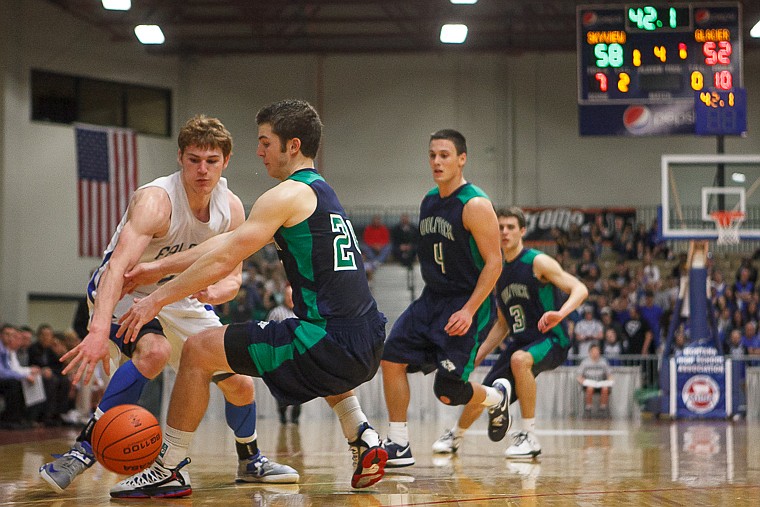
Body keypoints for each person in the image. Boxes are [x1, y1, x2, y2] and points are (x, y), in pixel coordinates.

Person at [111, 99, 388, 495]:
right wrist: (156, 269)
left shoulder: (284, 195)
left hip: (329, 342)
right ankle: (361, 434)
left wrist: (156, 298)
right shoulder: (322, 191)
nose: (258, 152)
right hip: (366, 336)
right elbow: (226, 241)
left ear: (292, 145)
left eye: (265, 142)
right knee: (305, 338)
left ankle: (168, 466)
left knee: (198, 349)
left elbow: (226, 255)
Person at [40, 115, 297, 494]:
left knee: (241, 384)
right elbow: (116, 267)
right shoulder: (156, 200)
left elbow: (231, 278)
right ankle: (81, 450)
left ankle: (250, 459)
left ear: (226, 162)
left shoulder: (232, 208)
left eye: (211, 161)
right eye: (193, 159)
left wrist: (215, 292)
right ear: (179, 157)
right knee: (155, 351)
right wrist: (97, 330)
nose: (202, 169)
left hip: (179, 297)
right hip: (126, 289)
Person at [380, 129, 508, 469]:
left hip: (466, 303)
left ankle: (496, 397)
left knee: (448, 392)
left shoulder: (475, 205)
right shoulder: (429, 201)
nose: (437, 161)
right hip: (431, 299)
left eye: (444, 155)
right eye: (432, 155)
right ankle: (399, 443)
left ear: (462, 159)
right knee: (391, 358)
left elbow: (495, 263)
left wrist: (468, 310)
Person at [431, 207, 588, 458]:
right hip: (521, 341)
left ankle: (530, 436)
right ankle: (455, 437)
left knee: (519, 360)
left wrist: (562, 313)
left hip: (552, 339)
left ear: (522, 231)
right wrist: (478, 354)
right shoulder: (497, 270)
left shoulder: (537, 262)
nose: (504, 232)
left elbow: (579, 288)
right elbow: (503, 324)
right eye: (500, 227)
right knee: (486, 391)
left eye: (511, 227)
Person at [265, 284, 301, 425]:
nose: (290, 298)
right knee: (282, 391)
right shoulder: (276, 312)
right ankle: (283, 419)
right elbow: (267, 333)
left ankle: (296, 420)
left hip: (299, 359)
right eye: (287, 296)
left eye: (292, 296)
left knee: (300, 390)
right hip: (280, 359)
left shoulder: (302, 313)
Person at [0, 324, 38, 429]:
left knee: (19, 382)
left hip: (5, 379)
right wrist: (22, 376)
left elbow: (9, 369)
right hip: (3, 380)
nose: (10, 337)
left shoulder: (6, 350)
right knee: (15, 383)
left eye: (12, 335)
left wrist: (22, 375)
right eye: (7, 334)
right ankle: (10, 419)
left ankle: (22, 418)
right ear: (1, 335)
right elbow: (2, 372)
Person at [577, 342, 613, 416]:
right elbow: (579, 376)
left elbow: (609, 374)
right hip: (589, 383)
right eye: (594, 351)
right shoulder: (585, 362)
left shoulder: (603, 362)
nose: (596, 353)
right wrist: (582, 381)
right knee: (590, 388)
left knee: (605, 389)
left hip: (600, 382)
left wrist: (610, 381)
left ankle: (602, 409)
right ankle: (588, 409)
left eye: (597, 351)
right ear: (590, 352)